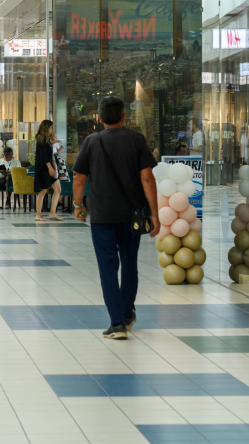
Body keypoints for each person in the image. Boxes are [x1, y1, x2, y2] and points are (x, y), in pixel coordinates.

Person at [73, 96, 160, 340]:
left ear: (100, 118)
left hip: (102, 216)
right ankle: (128, 313)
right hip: (133, 215)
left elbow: (79, 179)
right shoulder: (136, 139)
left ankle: (117, 323)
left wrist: (78, 206)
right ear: (124, 116)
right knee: (130, 264)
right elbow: (147, 178)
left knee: (108, 269)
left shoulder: (91, 141)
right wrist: (155, 214)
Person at [33, 120, 62, 222]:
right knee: (43, 191)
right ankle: (38, 215)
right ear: (46, 128)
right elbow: (44, 156)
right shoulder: (41, 139)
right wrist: (50, 168)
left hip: (49, 168)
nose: (52, 129)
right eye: (50, 127)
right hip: (44, 169)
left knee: (58, 189)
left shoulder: (46, 140)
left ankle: (52, 213)